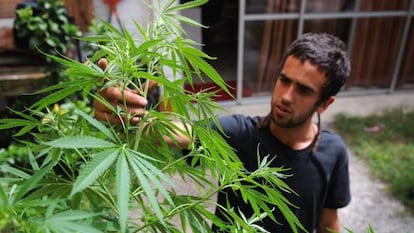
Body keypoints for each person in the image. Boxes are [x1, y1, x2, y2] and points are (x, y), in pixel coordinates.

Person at [93, 32, 351, 233]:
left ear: (325, 103)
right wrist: (126, 115)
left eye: (304, 90)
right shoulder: (240, 135)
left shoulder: (334, 152)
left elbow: (328, 222)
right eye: (284, 80)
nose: (285, 96)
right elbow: (180, 132)